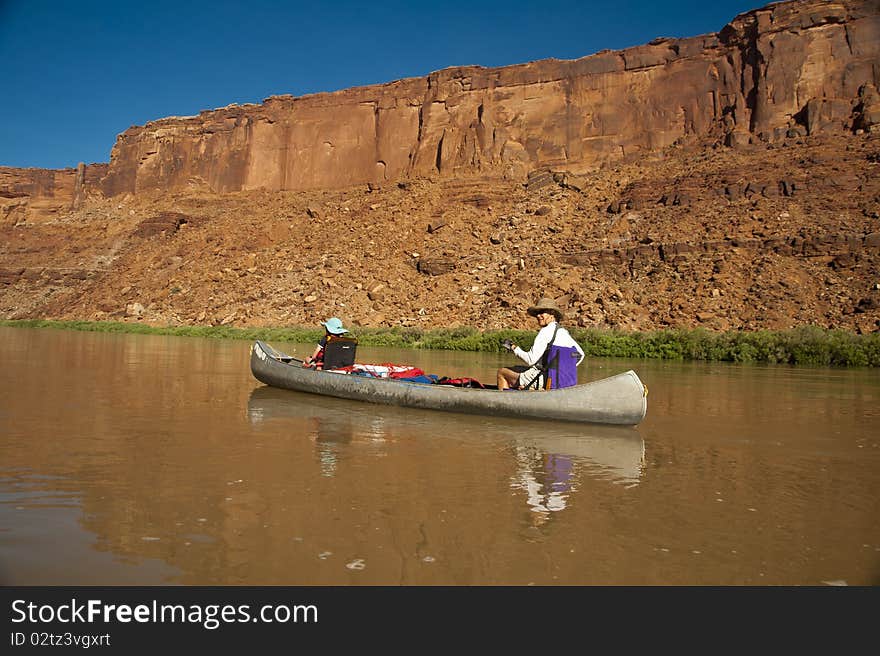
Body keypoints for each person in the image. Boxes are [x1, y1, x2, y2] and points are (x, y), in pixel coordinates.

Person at [497, 298, 585, 390]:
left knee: (502, 372)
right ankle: (528, 389)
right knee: (517, 369)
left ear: (552, 314)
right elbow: (580, 355)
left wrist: (514, 348)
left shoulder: (545, 331)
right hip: (560, 381)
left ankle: (503, 402)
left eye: (542, 312)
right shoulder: (563, 331)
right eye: (536, 314)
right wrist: (563, 369)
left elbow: (530, 360)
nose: (538, 316)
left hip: (544, 378)